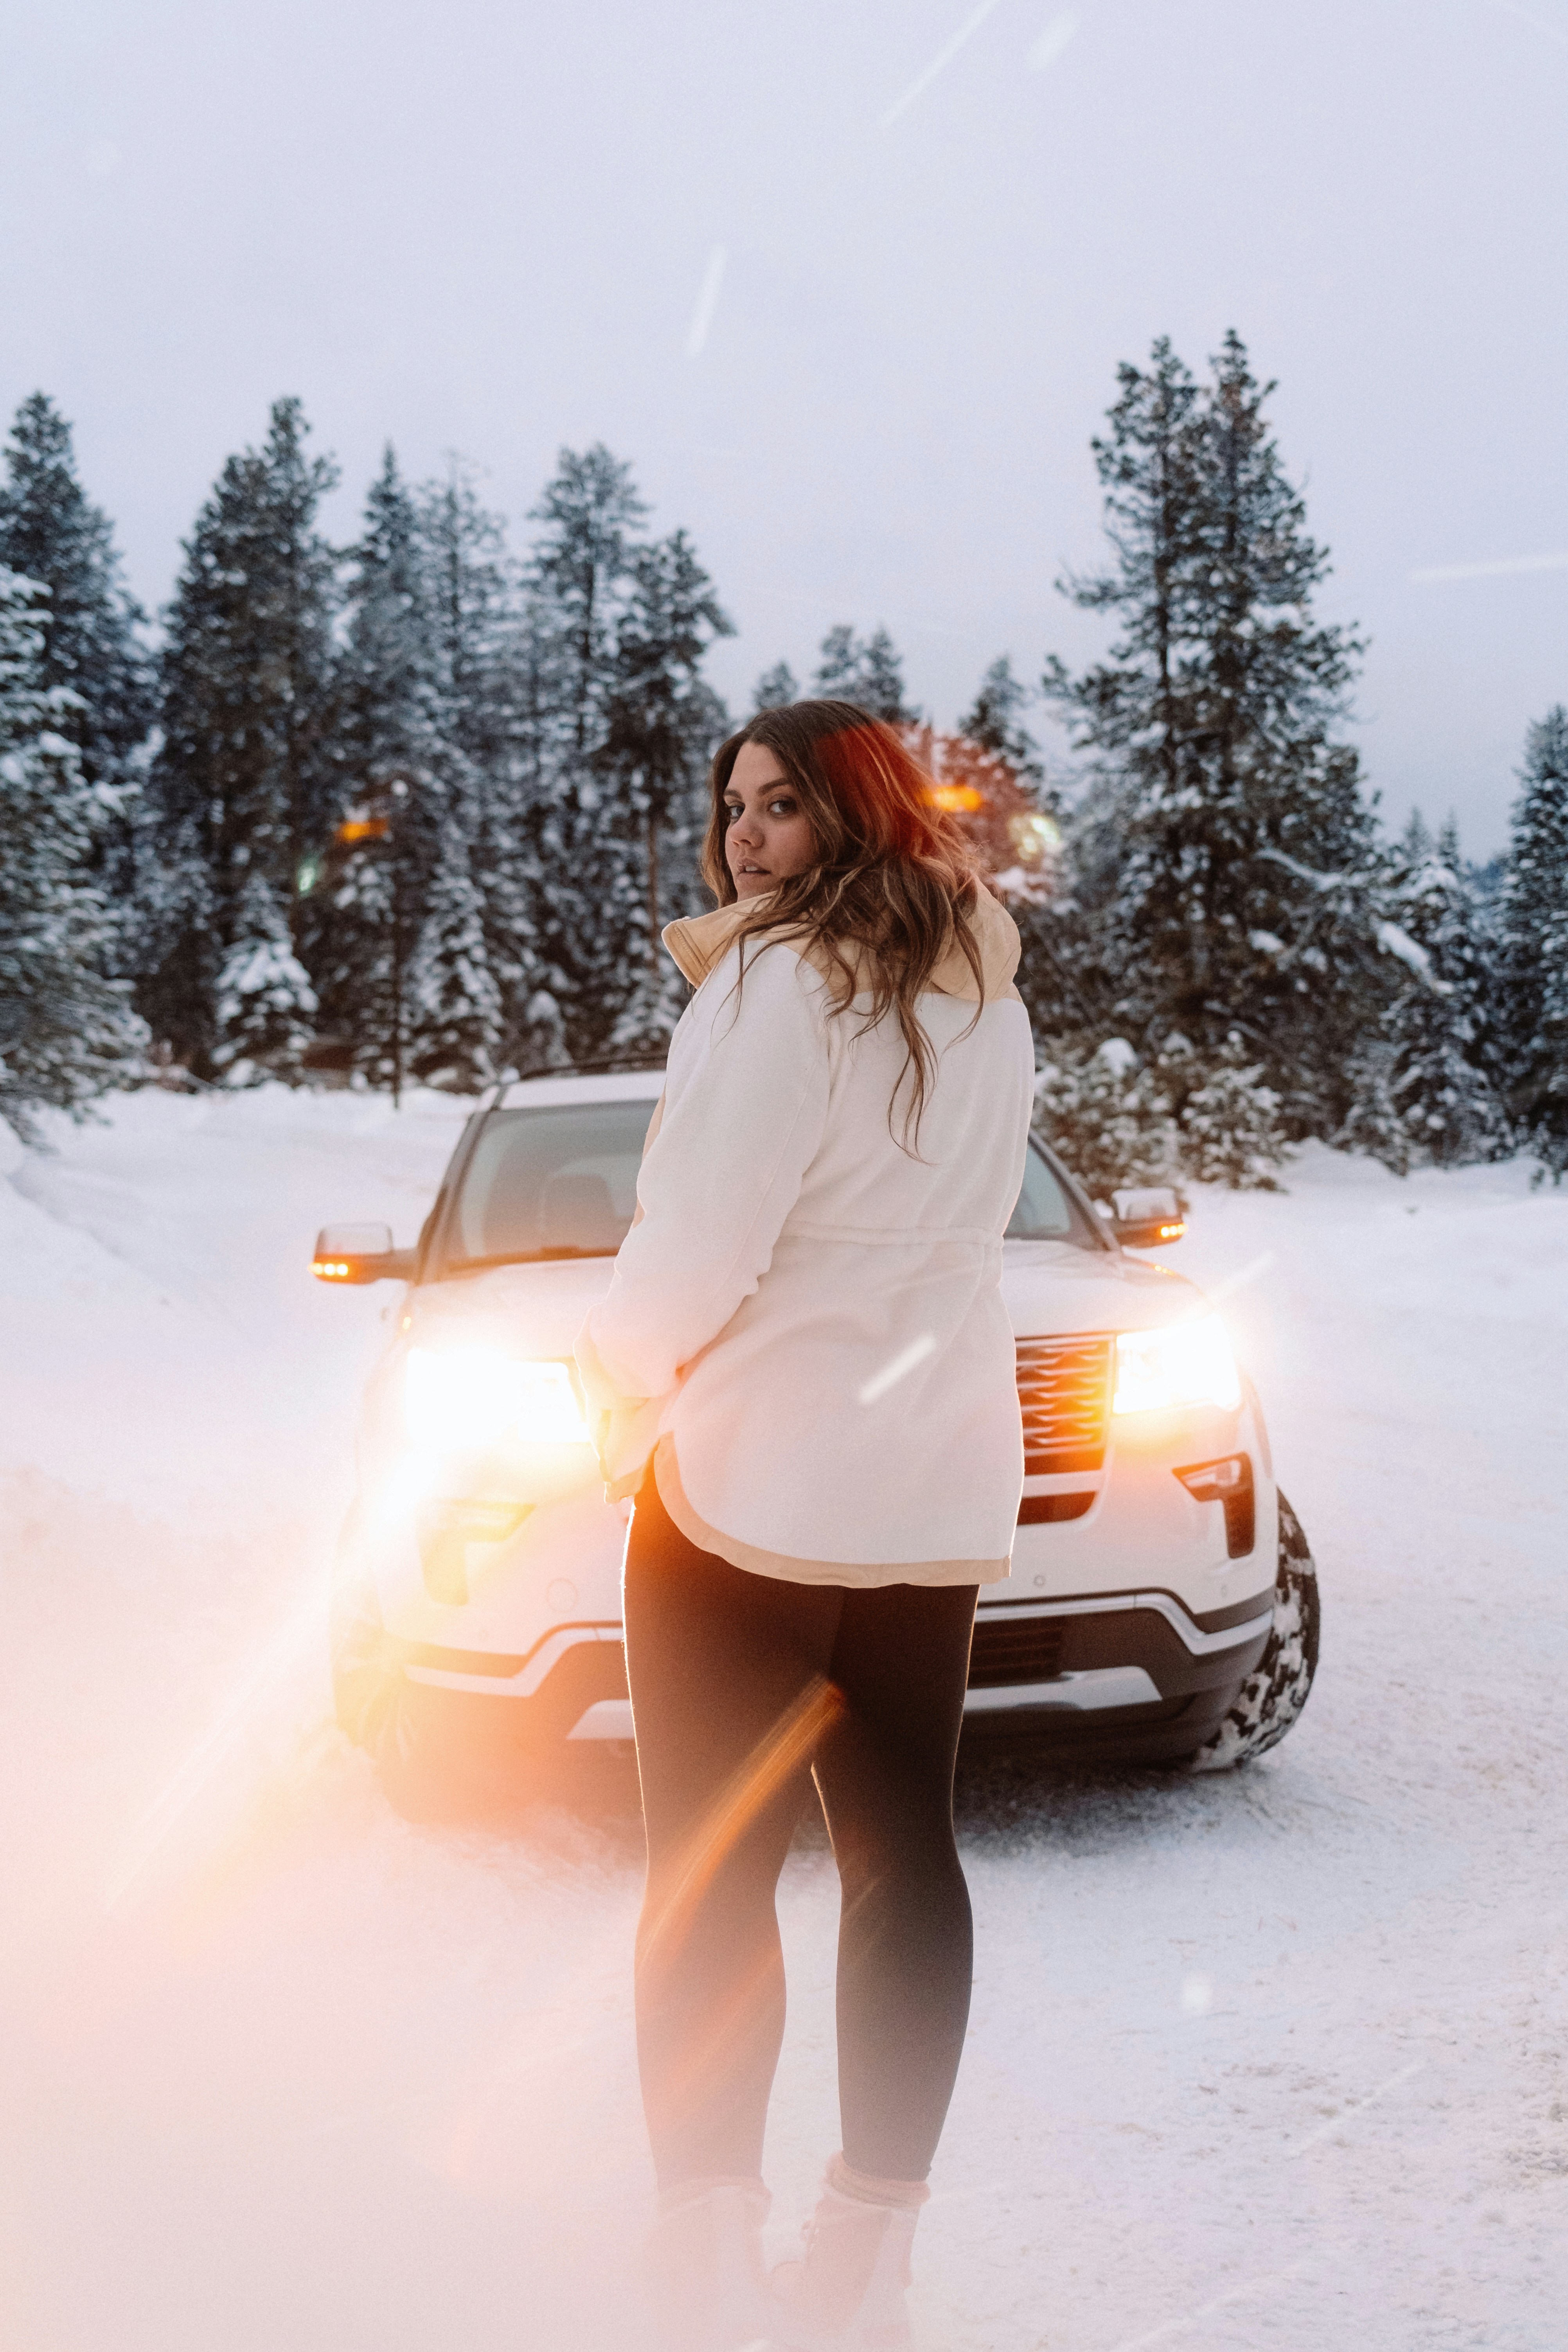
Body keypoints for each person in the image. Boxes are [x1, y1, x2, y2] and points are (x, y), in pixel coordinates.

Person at [574, 699, 1033, 2351]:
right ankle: (868, 2262)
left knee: (710, 1872)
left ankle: (702, 2256)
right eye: (731, 805)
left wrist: (607, 1381)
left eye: (780, 806)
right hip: (927, 1484)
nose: (744, 838)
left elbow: (699, 1238)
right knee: (906, 1849)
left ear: (857, 814)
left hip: (752, 1486)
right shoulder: (981, 985)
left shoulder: (780, 977)